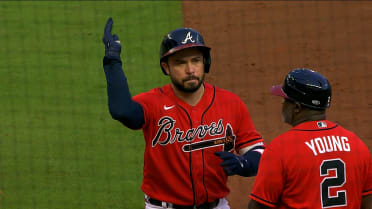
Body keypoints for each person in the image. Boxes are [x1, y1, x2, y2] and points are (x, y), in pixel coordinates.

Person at [102, 18, 265, 209]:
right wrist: (112, 61)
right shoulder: (153, 102)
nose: (190, 70)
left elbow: (258, 152)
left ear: (206, 63)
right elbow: (123, 111)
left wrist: (244, 163)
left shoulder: (230, 103)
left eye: (196, 60)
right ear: (166, 67)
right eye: (180, 63)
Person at [248, 68, 372, 209]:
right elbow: (368, 203)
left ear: (297, 107)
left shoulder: (281, 149)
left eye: (285, 100)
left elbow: (259, 206)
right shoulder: (356, 145)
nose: (282, 104)